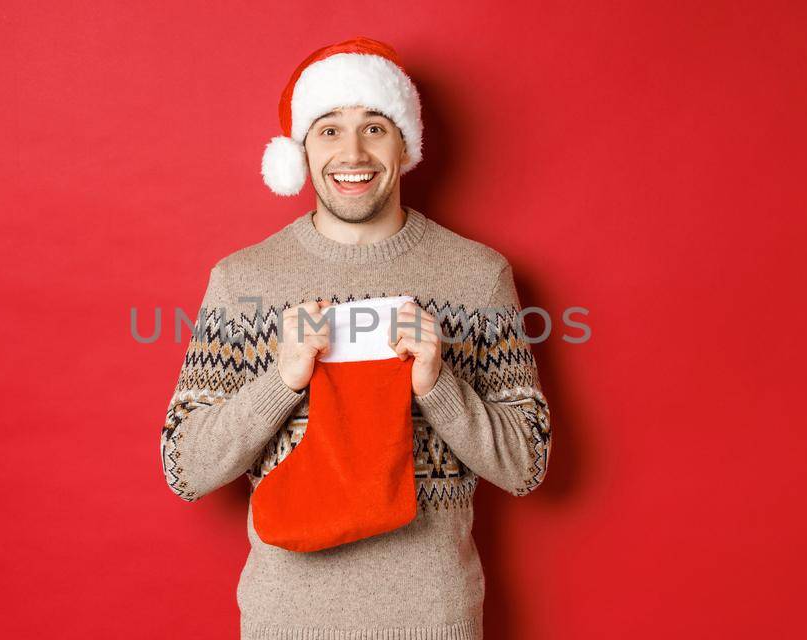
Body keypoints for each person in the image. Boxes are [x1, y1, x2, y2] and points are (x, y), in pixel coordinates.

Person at [159, 36, 552, 639]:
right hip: (285, 620)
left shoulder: (477, 276)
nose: (353, 152)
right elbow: (185, 468)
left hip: (431, 618)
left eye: (374, 127)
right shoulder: (244, 281)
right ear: (302, 150)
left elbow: (527, 466)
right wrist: (281, 380)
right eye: (329, 130)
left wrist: (439, 386)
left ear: (405, 145)